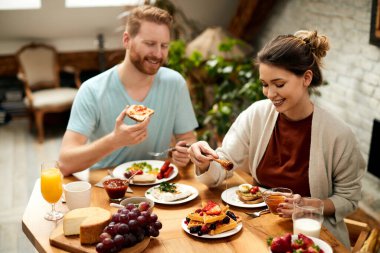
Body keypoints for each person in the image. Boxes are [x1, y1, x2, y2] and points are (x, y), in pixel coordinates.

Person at [187, 30, 365, 248]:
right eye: (264, 84)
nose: (270, 93)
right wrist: (206, 162)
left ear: (306, 78)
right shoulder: (257, 114)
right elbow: (224, 161)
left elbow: (349, 199)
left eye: (278, 84)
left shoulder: (339, 135)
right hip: (258, 226)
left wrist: (308, 205)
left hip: (313, 236)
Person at [59, 5, 198, 176]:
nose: (158, 54)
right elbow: (65, 163)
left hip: (160, 186)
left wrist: (186, 152)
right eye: (150, 44)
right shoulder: (92, 90)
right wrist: (114, 141)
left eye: (164, 46)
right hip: (108, 190)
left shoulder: (175, 83)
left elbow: (188, 139)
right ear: (127, 40)